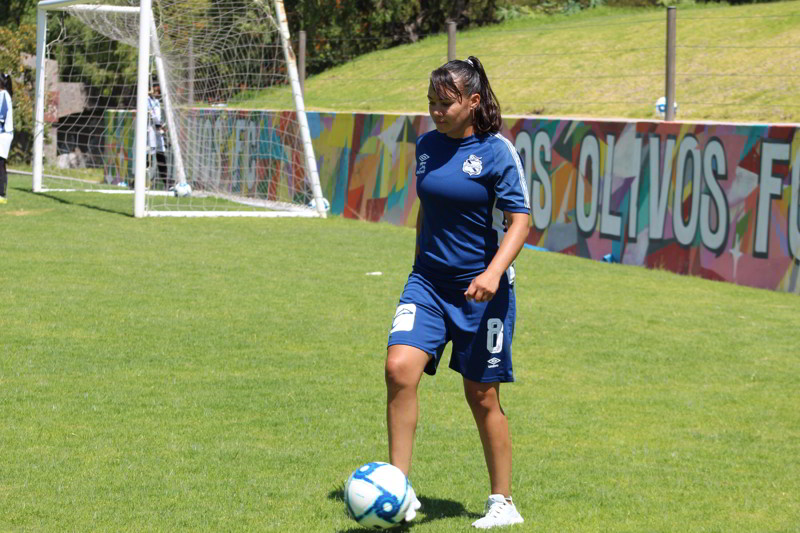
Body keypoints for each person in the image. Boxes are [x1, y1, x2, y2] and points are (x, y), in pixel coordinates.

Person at [385, 56, 531, 529]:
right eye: (430, 102)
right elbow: (428, 212)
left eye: (444, 103)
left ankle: (502, 502)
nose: (435, 111)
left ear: (472, 101)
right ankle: (397, 491)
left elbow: (520, 221)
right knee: (399, 369)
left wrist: (492, 273)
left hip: (481, 292)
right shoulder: (426, 145)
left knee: (481, 394)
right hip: (426, 282)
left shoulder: (497, 151)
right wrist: (416, 268)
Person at [147, 83, 169, 189]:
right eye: (155, 87)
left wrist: (162, 126)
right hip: (149, 131)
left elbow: (157, 117)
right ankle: (138, 182)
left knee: (161, 156)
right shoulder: (145, 99)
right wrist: (160, 125)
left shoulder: (156, 101)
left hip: (157, 132)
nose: (157, 89)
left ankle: (167, 183)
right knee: (148, 157)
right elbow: (152, 116)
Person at [0, 73, 14, 204]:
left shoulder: (4, 95)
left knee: (0, 164)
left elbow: (2, 116)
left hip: (3, 135)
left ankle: (1, 195)